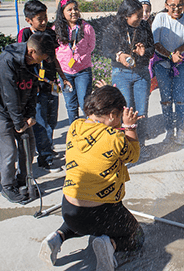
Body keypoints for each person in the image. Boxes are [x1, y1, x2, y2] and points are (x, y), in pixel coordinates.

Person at [38, 86, 144, 271]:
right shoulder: (115, 138)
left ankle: (56, 238)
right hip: (102, 212)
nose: (120, 121)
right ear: (112, 115)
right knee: (137, 236)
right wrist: (130, 127)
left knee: (80, 220)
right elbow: (133, 155)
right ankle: (110, 246)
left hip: (70, 209)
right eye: (119, 116)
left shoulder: (75, 127)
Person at [0, 32, 55, 203]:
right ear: (31, 51)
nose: (41, 61)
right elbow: (10, 96)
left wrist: (30, 115)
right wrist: (18, 123)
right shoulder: (7, 61)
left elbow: (33, 88)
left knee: (29, 147)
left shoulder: (33, 63)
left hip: (21, 110)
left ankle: (24, 180)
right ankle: (7, 186)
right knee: (8, 152)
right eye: (41, 57)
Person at [18, 0, 72, 172]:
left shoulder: (49, 33)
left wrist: (62, 77)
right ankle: (45, 159)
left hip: (51, 84)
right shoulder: (24, 35)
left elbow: (54, 58)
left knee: (51, 120)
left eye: (45, 17)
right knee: (41, 123)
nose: (44, 22)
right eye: (39, 19)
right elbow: (23, 63)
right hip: (36, 88)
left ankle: (47, 149)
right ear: (29, 20)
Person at [103, 0, 155, 159]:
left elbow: (152, 49)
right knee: (124, 110)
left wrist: (143, 52)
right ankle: (124, 146)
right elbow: (105, 50)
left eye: (142, 14)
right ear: (126, 15)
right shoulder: (113, 28)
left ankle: (140, 146)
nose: (141, 18)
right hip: (121, 74)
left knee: (141, 111)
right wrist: (118, 56)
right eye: (137, 15)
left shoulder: (144, 26)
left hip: (141, 74)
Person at [151, 0, 184, 145]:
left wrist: (179, 51)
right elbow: (155, 43)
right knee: (166, 100)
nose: (176, 9)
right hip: (162, 64)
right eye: (172, 6)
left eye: (180, 5)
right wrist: (170, 55)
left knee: (180, 100)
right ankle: (169, 132)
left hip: (180, 64)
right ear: (166, 5)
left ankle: (180, 133)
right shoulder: (160, 18)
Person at [54, 0, 96, 125]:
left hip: (83, 71)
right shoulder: (56, 29)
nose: (74, 12)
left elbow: (91, 46)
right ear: (62, 12)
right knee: (70, 104)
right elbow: (55, 49)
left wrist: (80, 57)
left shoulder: (86, 27)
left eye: (76, 9)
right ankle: (74, 131)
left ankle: (88, 129)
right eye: (69, 9)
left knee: (85, 103)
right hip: (65, 73)